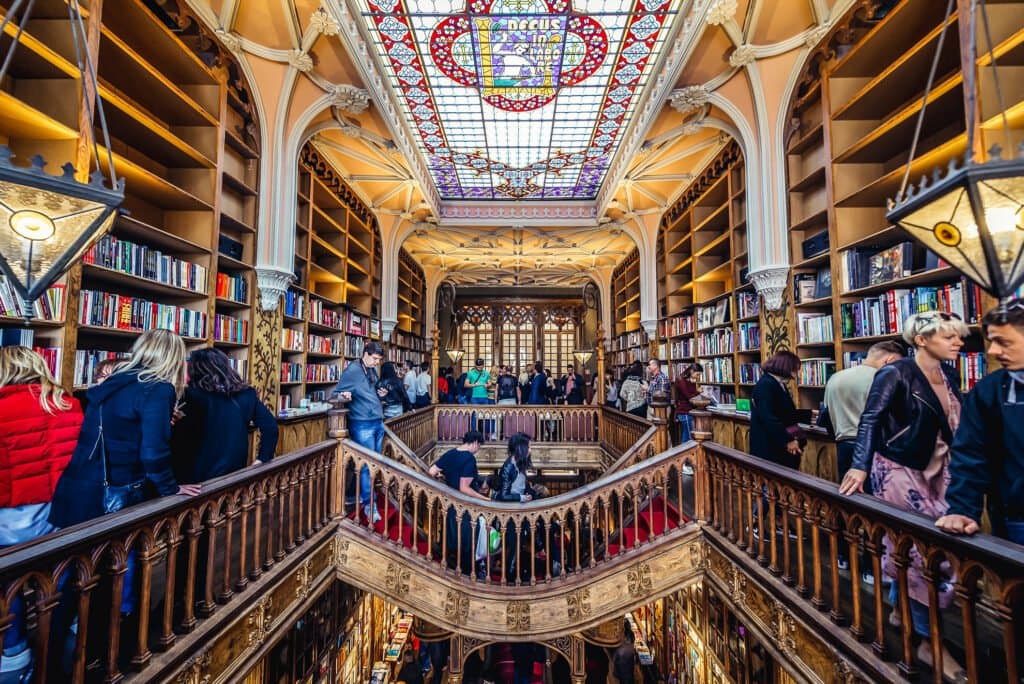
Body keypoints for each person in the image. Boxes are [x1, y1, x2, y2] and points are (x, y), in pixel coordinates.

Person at [839, 311, 968, 679]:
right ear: (922, 340)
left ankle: (901, 610)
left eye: (959, 335)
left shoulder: (948, 374)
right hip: (901, 470)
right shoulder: (895, 372)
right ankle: (930, 643)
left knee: (918, 552)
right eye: (949, 336)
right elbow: (870, 419)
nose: (958, 342)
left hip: (940, 470)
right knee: (924, 555)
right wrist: (859, 466)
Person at [50, 330, 201, 615]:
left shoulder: (113, 383)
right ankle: (120, 624)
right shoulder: (158, 388)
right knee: (124, 560)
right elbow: (153, 452)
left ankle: (64, 639)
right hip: (118, 491)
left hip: (79, 486)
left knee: (72, 571)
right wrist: (171, 488)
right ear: (173, 358)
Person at [0, 347, 84, 680]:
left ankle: (14, 652)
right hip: (59, 512)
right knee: (56, 581)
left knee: (9, 585)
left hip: (10, 516)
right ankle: (57, 645)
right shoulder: (68, 404)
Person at [938, 300, 1024, 544]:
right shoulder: (990, 390)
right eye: (992, 340)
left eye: (1003, 342)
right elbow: (970, 453)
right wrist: (962, 509)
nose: (992, 351)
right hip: (1015, 518)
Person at [170, 348, 278, 483]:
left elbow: (180, 438)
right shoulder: (247, 394)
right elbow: (270, 427)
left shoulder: (191, 395)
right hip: (234, 471)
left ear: (195, 369)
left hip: (196, 477)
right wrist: (261, 459)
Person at [823, 341, 904, 493]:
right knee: (875, 498)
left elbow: (826, 414)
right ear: (889, 360)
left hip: (843, 444)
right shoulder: (883, 380)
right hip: (873, 446)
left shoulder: (835, 378)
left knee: (848, 493)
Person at [333, 340, 388, 523]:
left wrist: (379, 394)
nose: (376, 363)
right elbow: (336, 394)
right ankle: (368, 505)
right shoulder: (352, 371)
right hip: (362, 424)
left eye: (379, 360)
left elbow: (368, 391)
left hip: (376, 421)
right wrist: (344, 396)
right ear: (365, 353)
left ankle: (357, 495)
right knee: (366, 466)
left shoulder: (370, 369)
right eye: (374, 358)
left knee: (373, 464)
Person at [428, 431, 491, 579]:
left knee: (452, 539)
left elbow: (432, 471)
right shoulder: (469, 459)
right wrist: (483, 498)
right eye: (479, 446)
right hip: (465, 508)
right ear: (475, 442)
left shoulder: (451, 453)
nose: (478, 449)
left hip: (450, 505)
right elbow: (464, 488)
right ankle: (467, 574)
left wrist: (445, 477)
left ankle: (452, 569)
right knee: (467, 543)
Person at [492, 432, 536, 580]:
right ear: (521, 448)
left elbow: (521, 486)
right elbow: (503, 495)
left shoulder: (520, 464)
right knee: (513, 547)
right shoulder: (509, 466)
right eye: (529, 447)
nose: (530, 450)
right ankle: (509, 578)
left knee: (518, 545)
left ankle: (514, 575)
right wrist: (522, 497)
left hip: (519, 512)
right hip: (509, 515)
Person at [749, 351, 803, 469]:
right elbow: (769, 418)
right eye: (794, 369)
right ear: (786, 367)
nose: (795, 374)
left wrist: (809, 414)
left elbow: (784, 412)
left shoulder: (778, 383)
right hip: (769, 447)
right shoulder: (766, 385)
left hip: (776, 445)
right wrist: (787, 440)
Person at [673, 363, 703, 444]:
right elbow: (689, 396)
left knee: (687, 436)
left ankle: (685, 455)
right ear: (692, 371)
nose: (698, 377)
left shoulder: (688, 380)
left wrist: (696, 392)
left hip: (688, 410)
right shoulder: (681, 380)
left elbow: (691, 394)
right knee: (689, 438)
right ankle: (686, 455)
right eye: (697, 374)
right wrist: (698, 392)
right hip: (684, 411)